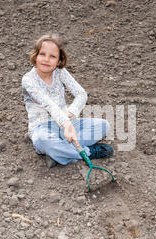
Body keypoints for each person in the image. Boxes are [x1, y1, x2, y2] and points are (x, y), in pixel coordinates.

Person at [21, 33, 113, 168]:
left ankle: (58, 154)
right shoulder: (28, 79)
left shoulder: (60, 72)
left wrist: (70, 113)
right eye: (42, 54)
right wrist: (66, 124)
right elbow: (48, 103)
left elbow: (81, 94)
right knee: (42, 140)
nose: (46, 59)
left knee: (104, 125)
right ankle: (87, 152)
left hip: (67, 123)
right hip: (42, 127)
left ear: (59, 61)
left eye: (52, 56)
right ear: (35, 56)